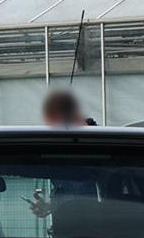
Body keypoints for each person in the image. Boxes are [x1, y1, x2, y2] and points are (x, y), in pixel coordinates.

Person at [31, 89, 97, 218]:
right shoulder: (56, 164)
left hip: (98, 227)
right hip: (63, 227)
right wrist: (50, 206)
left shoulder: (106, 159)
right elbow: (69, 199)